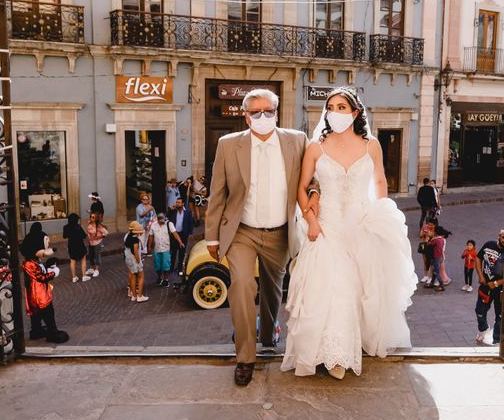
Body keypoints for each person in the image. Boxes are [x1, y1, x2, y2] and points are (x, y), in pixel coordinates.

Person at [281, 87, 418, 380]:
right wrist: (311, 220)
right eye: (331, 106)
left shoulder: (371, 146)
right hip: (327, 225)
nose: (335, 111)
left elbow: (380, 180)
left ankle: (348, 348)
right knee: (329, 286)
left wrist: (379, 213)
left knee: (361, 288)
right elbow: (301, 187)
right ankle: (329, 354)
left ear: (355, 113)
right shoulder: (316, 146)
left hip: (361, 223)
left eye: (342, 107)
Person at [205, 88, 318, 386]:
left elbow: (312, 179)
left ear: (277, 112)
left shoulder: (297, 140)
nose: (263, 117)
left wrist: (314, 193)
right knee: (241, 283)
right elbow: (218, 193)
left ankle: (268, 333)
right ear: (246, 117)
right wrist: (212, 238)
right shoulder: (228, 145)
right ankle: (245, 356)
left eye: (269, 111)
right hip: (242, 231)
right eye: (256, 112)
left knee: (273, 289)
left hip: (281, 231)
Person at [20, 222, 68, 343]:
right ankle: (52, 333)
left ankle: (36, 331)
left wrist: (48, 267)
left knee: (36, 315)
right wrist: (53, 272)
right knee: (48, 314)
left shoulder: (34, 261)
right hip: (40, 296)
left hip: (36, 294)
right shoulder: (29, 264)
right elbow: (41, 277)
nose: (46, 250)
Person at [475, 228, 504, 345]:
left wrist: (496, 283)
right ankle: (483, 328)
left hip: (501, 290)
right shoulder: (489, 244)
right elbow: (478, 258)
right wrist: (480, 275)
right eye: (503, 237)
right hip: (485, 286)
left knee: (500, 315)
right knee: (479, 310)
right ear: (499, 236)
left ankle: (497, 340)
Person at [148, 212, 183, 287]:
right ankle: (159, 278)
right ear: (157, 219)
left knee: (166, 265)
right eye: (159, 219)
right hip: (157, 249)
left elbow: (175, 233)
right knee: (157, 265)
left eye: (162, 219)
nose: (161, 221)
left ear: (165, 218)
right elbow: (151, 236)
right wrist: (149, 246)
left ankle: (166, 280)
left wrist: (180, 242)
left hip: (166, 248)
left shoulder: (169, 224)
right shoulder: (153, 225)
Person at [166, 196, 193, 274]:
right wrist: (169, 209)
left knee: (182, 252)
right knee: (173, 252)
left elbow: (190, 223)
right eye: (176, 202)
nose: (177, 204)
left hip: (183, 234)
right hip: (174, 234)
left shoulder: (188, 212)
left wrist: (190, 233)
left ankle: (180, 268)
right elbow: (167, 216)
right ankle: (171, 268)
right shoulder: (173, 211)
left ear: (183, 204)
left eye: (179, 203)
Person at [124, 221, 149, 303]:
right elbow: (136, 252)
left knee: (133, 277)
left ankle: (133, 295)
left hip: (128, 260)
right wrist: (139, 262)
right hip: (135, 261)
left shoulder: (127, 236)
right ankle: (140, 296)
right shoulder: (135, 240)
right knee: (141, 277)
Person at [62, 213, 89, 282]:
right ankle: (84, 276)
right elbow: (84, 236)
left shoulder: (66, 227)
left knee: (72, 261)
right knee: (83, 260)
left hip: (71, 245)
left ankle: (74, 277)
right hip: (80, 245)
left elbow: (64, 236)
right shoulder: (78, 227)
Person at [424, 226, 451, 292]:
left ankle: (441, 286)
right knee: (434, 271)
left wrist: (427, 240)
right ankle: (432, 283)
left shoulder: (435, 240)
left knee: (436, 272)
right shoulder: (442, 239)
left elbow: (428, 245)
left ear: (435, 232)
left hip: (436, 257)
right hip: (441, 257)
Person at [86, 212, 108, 277]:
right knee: (90, 256)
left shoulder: (98, 226)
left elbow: (106, 233)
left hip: (97, 243)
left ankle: (97, 270)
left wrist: (99, 237)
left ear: (96, 218)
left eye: (93, 217)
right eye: (90, 217)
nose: (91, 218)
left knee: (97, 256)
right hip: (91, 243)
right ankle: (92, 268)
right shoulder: (89, 223)